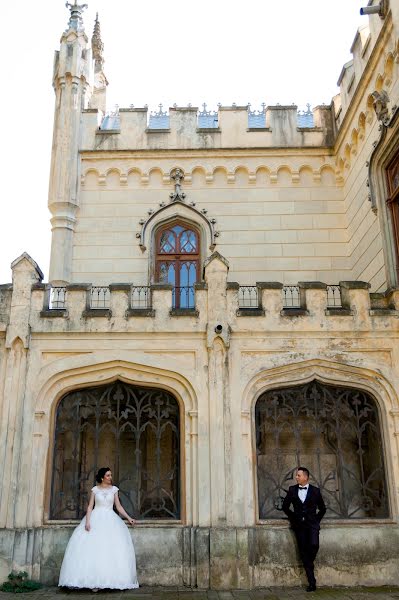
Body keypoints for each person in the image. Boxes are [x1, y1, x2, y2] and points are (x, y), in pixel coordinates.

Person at [59, 467, 139, 591]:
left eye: (111, 475)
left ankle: (108, 580)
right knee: (92, 549)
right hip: (95, 518)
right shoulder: (95, 490)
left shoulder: (114, 490)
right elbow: (90, 507)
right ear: (102, 477)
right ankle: (92, 581)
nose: (110, 477)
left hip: (111, 519)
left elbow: (118, 507)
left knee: (108, 549)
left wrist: (129, 518)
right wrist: (87, 521)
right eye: (108, 475)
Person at [282, 467, 326, 593]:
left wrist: (316, 520)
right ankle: (312, 582)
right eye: (296, 475)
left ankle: (308, 563)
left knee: (314, 545)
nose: (296, 477)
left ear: (306, 477)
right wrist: (293, 518)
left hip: (312, 525)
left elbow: (323, 509)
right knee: (303, 551)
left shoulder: (316, 491)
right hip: (299, 526)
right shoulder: (292, 490)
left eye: (298, 475)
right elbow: (285, 507)